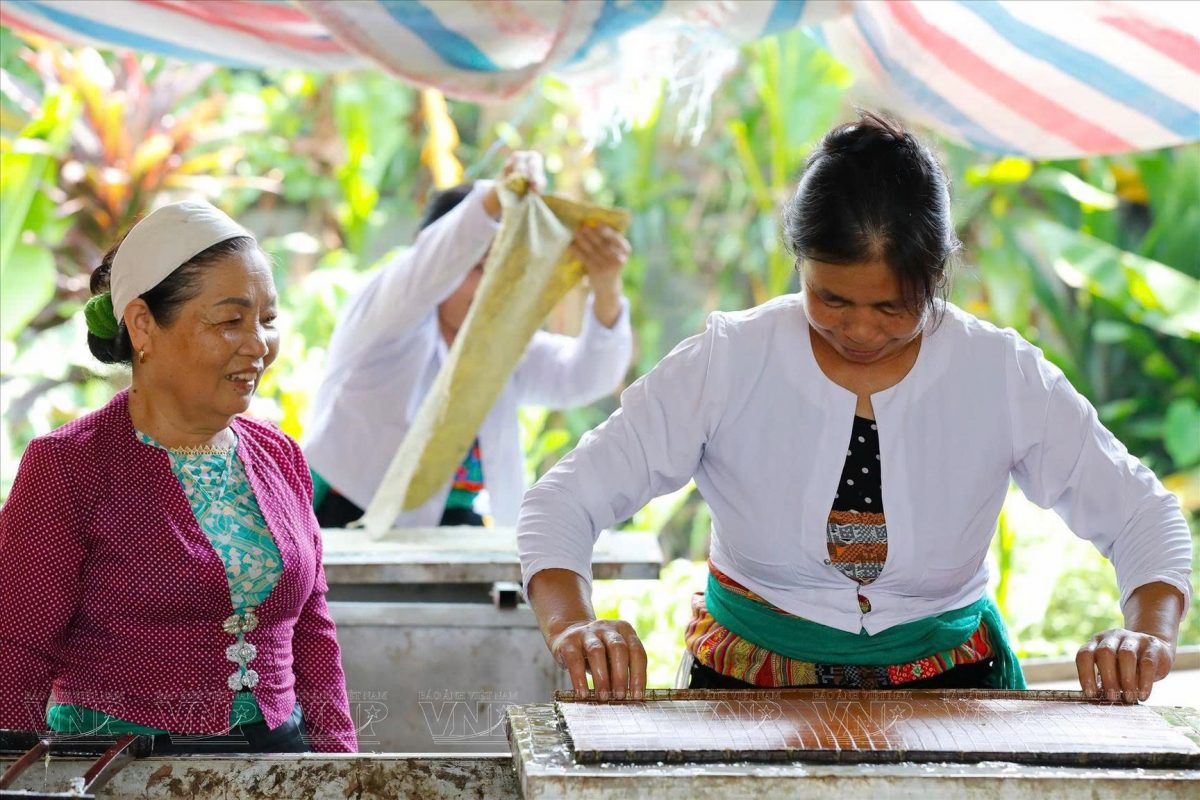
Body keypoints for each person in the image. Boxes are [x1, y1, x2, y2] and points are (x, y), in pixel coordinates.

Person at [516, 113, 1191, 704]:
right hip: (749, 699)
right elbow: (563, 502)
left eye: (892, 307)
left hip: (954, 697)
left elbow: (1141, 515)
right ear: (801, 263)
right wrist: (576, 624)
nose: (861, 331)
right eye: (832, 300)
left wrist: (1146, 636)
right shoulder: (729, 359)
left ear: (937, 275)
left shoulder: (1001, 373)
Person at [0, 202, 357, 753]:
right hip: (120, 767)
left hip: (275, 757)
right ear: (144, 325)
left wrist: (340, 768)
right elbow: (16, 648)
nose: (259, 344)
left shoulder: (278, 455)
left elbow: (312, 627)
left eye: (268, 320)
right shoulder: (70, 466)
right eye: (230, 320)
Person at [304, 151, 633, 528]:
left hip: (454, 522)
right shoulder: (385, 315)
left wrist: (606, 285)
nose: (494, 284)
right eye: (479, 267)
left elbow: (583, 378)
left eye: (506, 269)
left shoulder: (499, 343)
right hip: (345, 514)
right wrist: (498, 196)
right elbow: (439, 259)